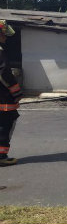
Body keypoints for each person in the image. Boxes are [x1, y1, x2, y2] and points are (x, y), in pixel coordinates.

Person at [0, 20, 22, 167]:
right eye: (3, 35)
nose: (5, 38)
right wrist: (16, 92)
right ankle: (1, 156)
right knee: (5, 123)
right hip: (3, 96)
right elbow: (4, 74)